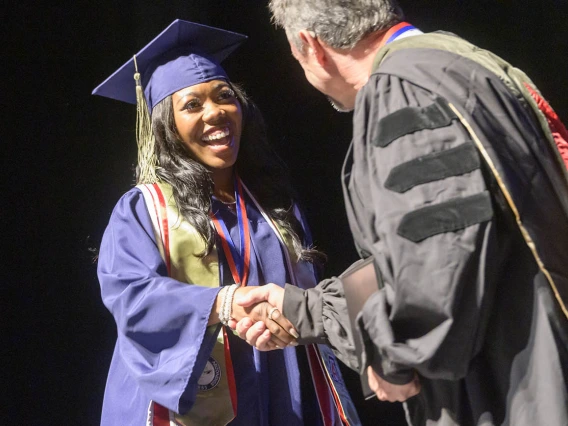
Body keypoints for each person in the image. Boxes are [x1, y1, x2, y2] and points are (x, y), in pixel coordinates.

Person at [231, 1, 568, 425]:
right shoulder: (456, 60)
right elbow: (418, 249)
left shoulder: (401, 89)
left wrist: (397, 354)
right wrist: (303, 308)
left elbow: (440, 249)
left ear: (311, 46)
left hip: (510, 380)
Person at [92, 19, 359, 426]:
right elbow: (131, 298)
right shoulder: (144, 210)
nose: (215, 112)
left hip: (279, 387)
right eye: (192, 105)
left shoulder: (273, 206)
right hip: (186, 398)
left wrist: (289, 321)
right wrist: (220, 303)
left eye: (224, 97)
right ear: (167, 126)